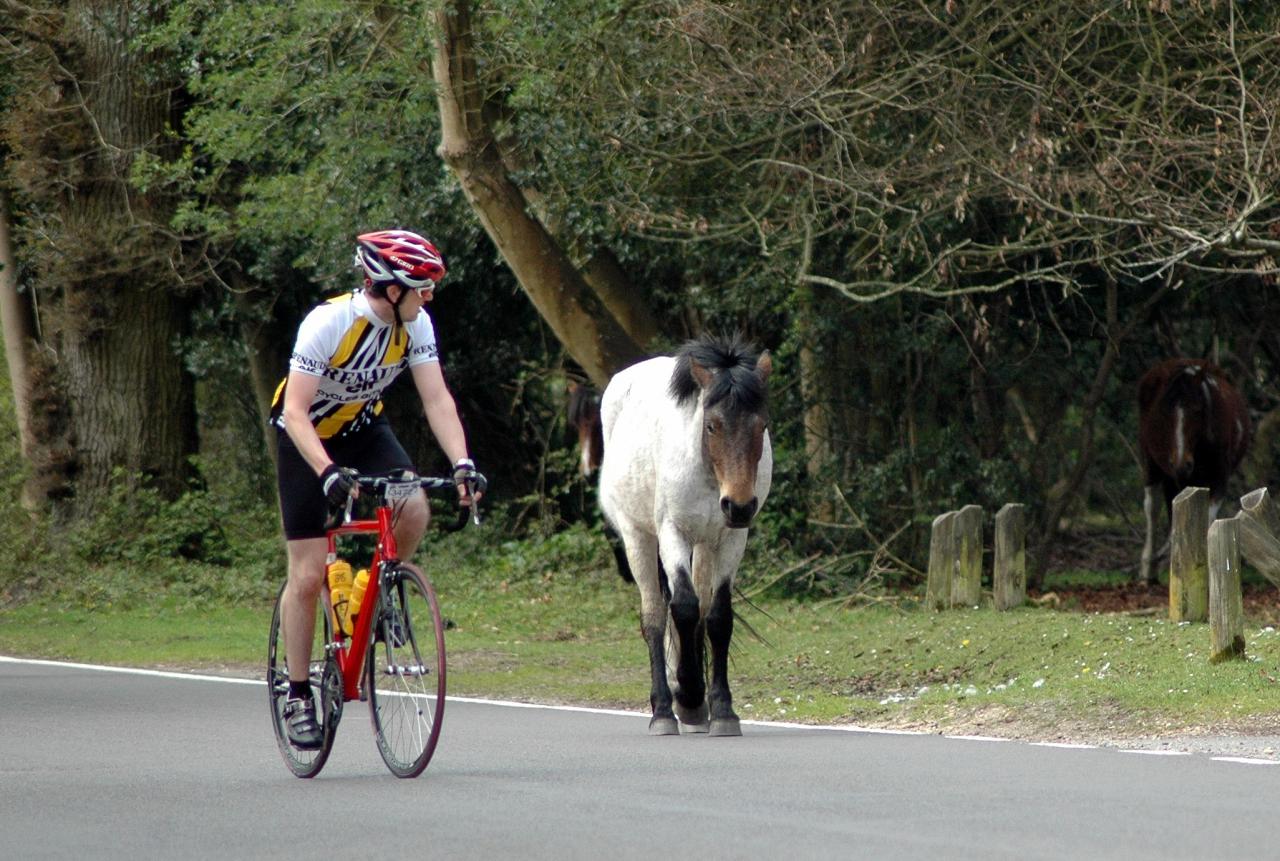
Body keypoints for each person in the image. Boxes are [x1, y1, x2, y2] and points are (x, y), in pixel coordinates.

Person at [270, 229, 484, 749]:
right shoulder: (329, 323)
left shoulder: (417, 325)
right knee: (306, 572)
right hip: (307, 434)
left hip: (364, 428)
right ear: (391, 288)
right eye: (422, 287)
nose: (429, 296)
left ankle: (377, 591)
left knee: (413, 506)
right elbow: (295, 411)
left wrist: (462, 462)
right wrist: (325, 472)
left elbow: (436, 399)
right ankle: (298, 694)